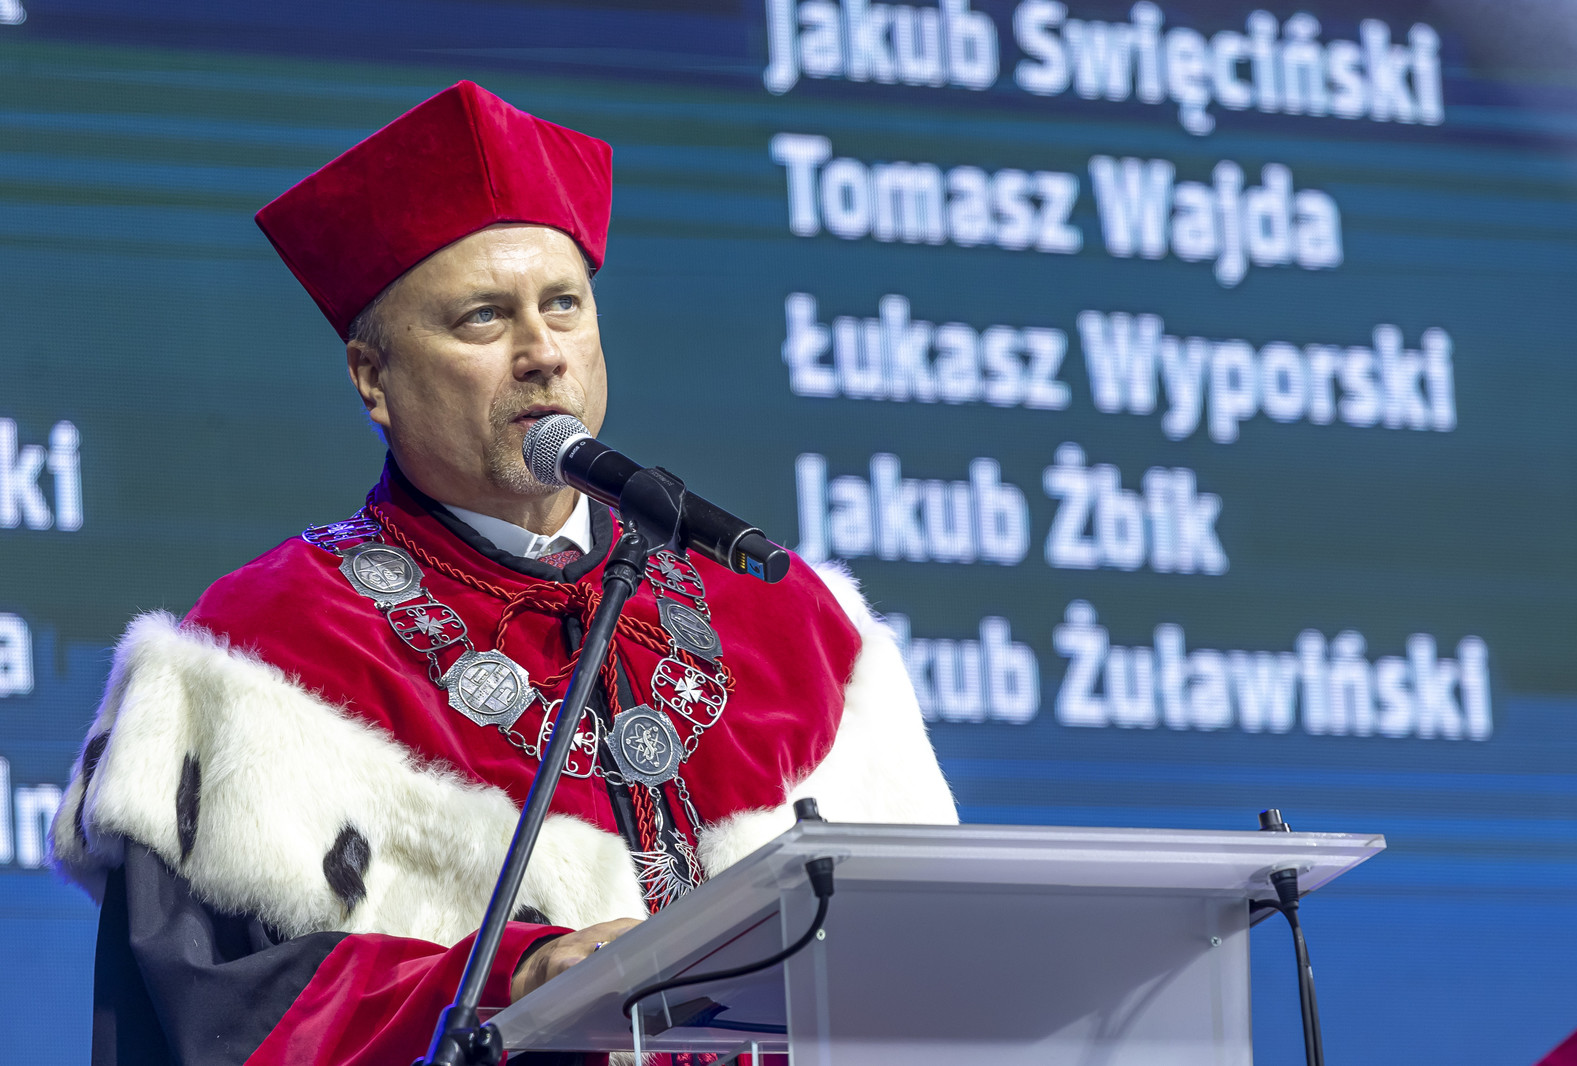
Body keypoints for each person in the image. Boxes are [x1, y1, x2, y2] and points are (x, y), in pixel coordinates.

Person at [48, 81, 957, 1066]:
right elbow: (221, 1017)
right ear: (372, 378)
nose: (542, 354)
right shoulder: (260, 650)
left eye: (563, 305)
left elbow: (935, 970)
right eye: (484, 318)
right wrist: (516, 983)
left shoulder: (794, 623)